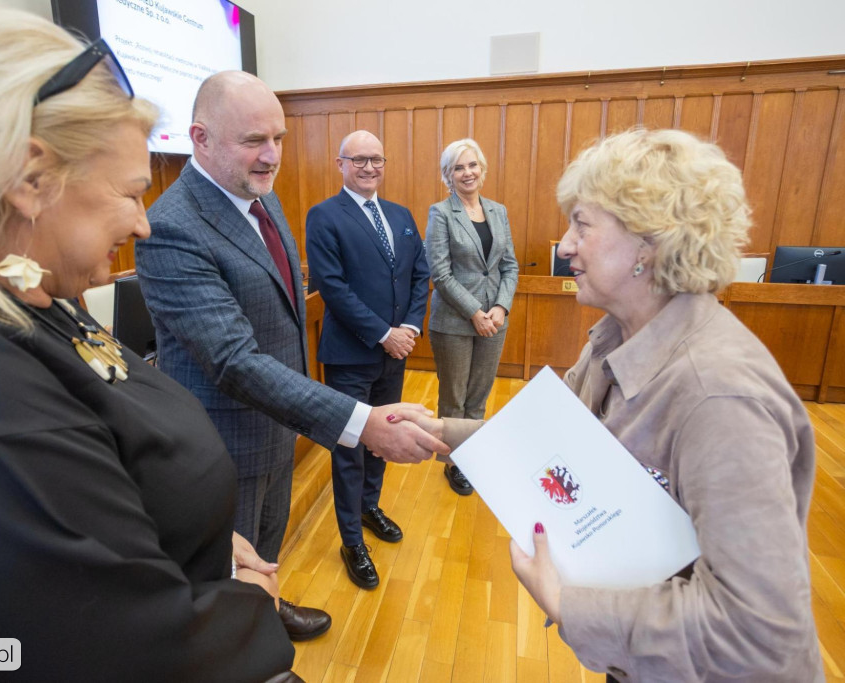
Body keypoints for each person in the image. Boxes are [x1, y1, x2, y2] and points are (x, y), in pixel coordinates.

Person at [0, 12, 303, 681]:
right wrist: (246, 601)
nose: (142, 222)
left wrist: (204, 547)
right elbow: (117, 652)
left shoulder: (19, 295)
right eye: (132, 192)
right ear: (29, 181)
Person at [397, 129, 822, 682]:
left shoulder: (719, 395)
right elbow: (543, 440)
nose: (565, 244)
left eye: (582, 223)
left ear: (648, 243)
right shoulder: (613, 338)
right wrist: (438, 430)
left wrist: (569, 604)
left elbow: (760, 634)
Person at [135, 72, 446, 638]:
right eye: (254, 140)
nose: (272, 155)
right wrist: (359, 422)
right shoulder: (172, 228)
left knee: (267, 557)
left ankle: (269, 616)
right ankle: (245, 653)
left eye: (277, 137)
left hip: (280, 426)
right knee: (228, 578)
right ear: (199, 138)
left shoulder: (265, 197)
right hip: (225, 444)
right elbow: (232, 360)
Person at [305, 130, 430, 589]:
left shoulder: (399, 215)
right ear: (340, 164)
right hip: (351, 356)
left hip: (396, 351)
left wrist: (411, 328)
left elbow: (420, 273)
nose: (369, 167)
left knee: (384, 438)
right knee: (350, 448)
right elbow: (332, 287)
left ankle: (370, 506)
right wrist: (383, 335)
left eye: (376, 159)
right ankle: (351, 538)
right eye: (359, 160)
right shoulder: (324, 216)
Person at [425, 138, 518, 496]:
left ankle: (472, 455)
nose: (467, 173)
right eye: (458, 167)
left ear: (483, 169)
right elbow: (441, 274)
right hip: (454, 323)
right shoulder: (441, 212)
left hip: (495, 320)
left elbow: (509, 265)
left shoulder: (498, 211)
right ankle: (453, 463)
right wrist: (475, 312)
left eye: (472, 165)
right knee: (454, 399)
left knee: (479, 396)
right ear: (448, 175)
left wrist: (500, 307)